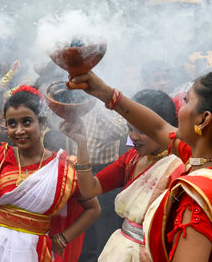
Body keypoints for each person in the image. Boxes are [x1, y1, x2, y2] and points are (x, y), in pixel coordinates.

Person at [0, 85, 101, 262]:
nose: (19, 130)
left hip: (32, 251)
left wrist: (63, 238)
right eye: (12, 124)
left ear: (42, 123)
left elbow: (93, 208)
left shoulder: (64, 168)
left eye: (27, 122)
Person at [71, 71, 212, 261]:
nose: (180, 109)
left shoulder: (199, 193)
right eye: (130, 130)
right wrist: (104, 92)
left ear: (203, 120)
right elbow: (158, 128)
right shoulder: (194, 158)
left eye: (187, 101)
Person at [60, 89, 185, 261]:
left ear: (161, 127)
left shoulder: (180, 168)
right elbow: (89, 189)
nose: (133, 136)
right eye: (129, 128)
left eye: (141, 130)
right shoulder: (132, 158)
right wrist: (81, 143)